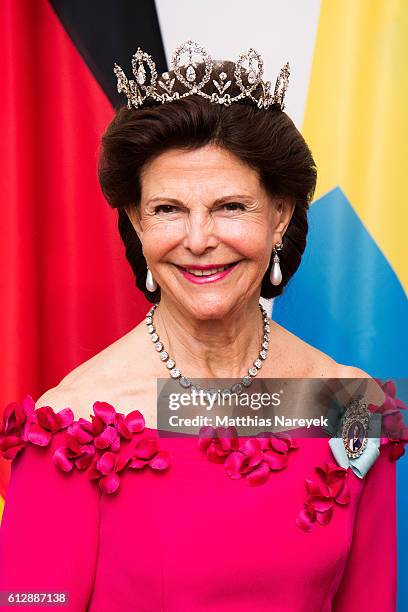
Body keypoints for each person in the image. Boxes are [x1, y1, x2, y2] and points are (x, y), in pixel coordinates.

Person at [0, 41, 403, 611]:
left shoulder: (351, 406)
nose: (198, 240)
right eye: (168, 209)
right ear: (137, 223)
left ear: (280, 215)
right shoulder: (73, 424)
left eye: (230, 207)